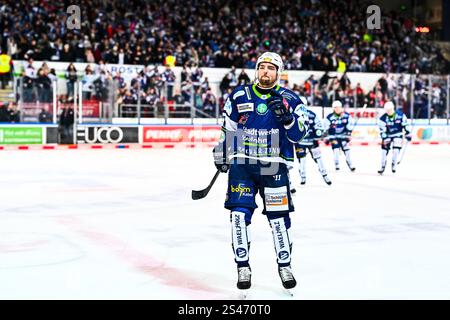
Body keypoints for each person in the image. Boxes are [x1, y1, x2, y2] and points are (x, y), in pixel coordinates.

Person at [212, 52, 309, 292]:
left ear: (279, 72)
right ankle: (242, 266)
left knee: (278, 220)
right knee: (237, 216)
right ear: (257, 70)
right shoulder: (238, 95)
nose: (266, 71)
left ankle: (284, 265)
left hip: (273, 165)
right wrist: (222, 152)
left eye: (271, 68)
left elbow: (300, 134)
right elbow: (229, 128)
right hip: (242, 165)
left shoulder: (292, 99)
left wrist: (288, 120)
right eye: (262, 67)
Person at [293, 97, 332, 186]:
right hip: (300, 142)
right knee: (302, 160)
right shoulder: (293, 115)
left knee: (319, 158)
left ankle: (324, 174)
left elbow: (318, 126)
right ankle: (303, 177)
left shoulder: (312, 114)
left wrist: (319, 134)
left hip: (312, 142)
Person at [377, 101, 412, 174]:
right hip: (388, 135)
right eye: (387, 110)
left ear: (393, 108)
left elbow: (405, 124)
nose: (389, 111)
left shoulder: (401, 115)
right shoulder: (382, 118)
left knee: (396, 151)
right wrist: (384, 137)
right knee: (384, 152)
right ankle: (382, 166)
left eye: (390, 109)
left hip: (398, 134)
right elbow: (382, 130)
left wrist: (408, 133)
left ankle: (394, 164)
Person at [323, 100, 355, 171]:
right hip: (333, 137)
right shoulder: (329, 117)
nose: (337, 109)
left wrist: (349, 132)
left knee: (347, 149)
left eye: (338, 107)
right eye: (335, 108)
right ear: (333, 108)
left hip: (343, 136)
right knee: (336, 150)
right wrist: (326, 137)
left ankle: (350, 163)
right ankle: (337, 164)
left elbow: (350, 124)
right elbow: (325, 128)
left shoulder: (346, 115)